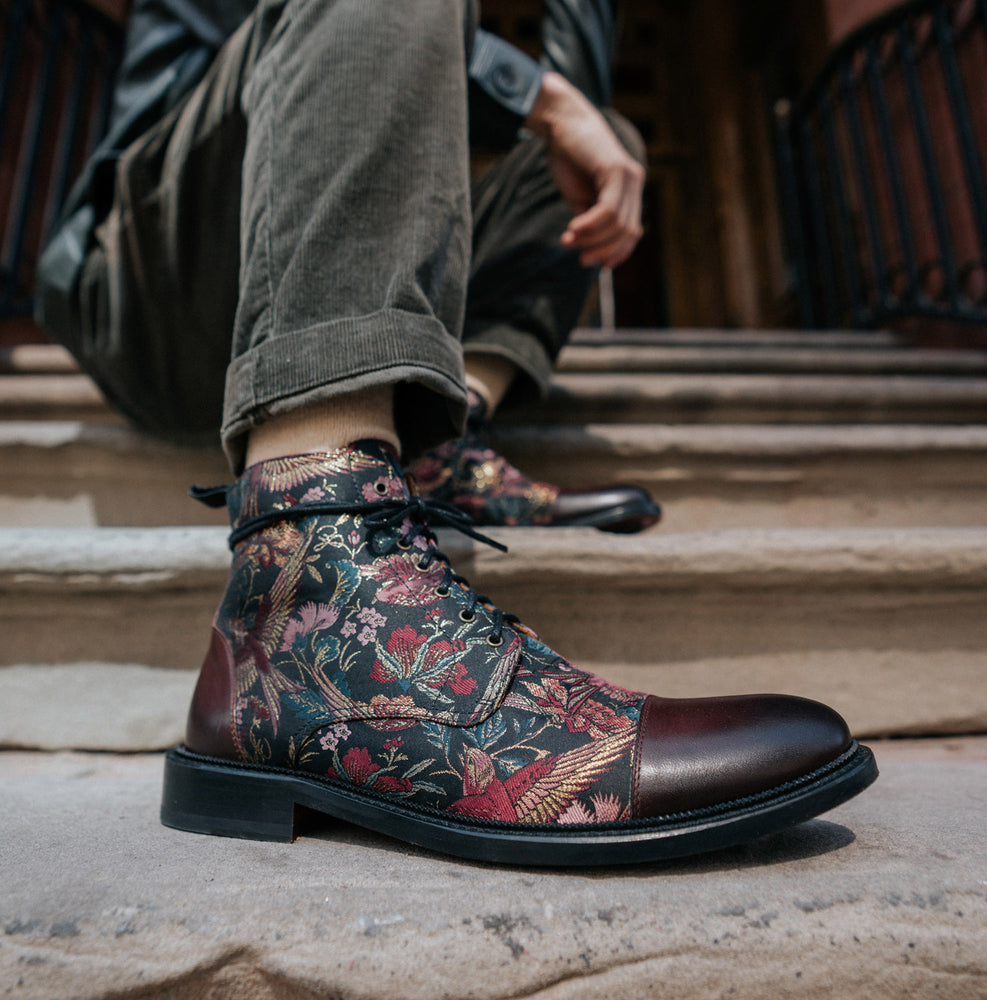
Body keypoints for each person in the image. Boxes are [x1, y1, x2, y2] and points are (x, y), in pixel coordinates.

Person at [37, 0, 876, 865]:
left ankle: (434, 434)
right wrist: (544, 95)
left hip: (316, 242)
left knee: (598, 139)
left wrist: (567, 90)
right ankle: (315, 570)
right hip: (156, 282)